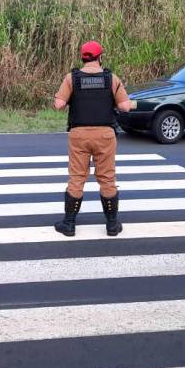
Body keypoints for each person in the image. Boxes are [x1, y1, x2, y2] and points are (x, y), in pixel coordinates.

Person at [53, 41, 131, 237]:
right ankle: (112, 225)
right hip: (105, 135)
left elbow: (59, 104)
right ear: (100, 57)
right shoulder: (111, 78)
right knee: (107, 178)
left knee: (77, 178)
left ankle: (69, 224)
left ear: (83, 57)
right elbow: (125, 107)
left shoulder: (72, 78)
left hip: (79, 135)